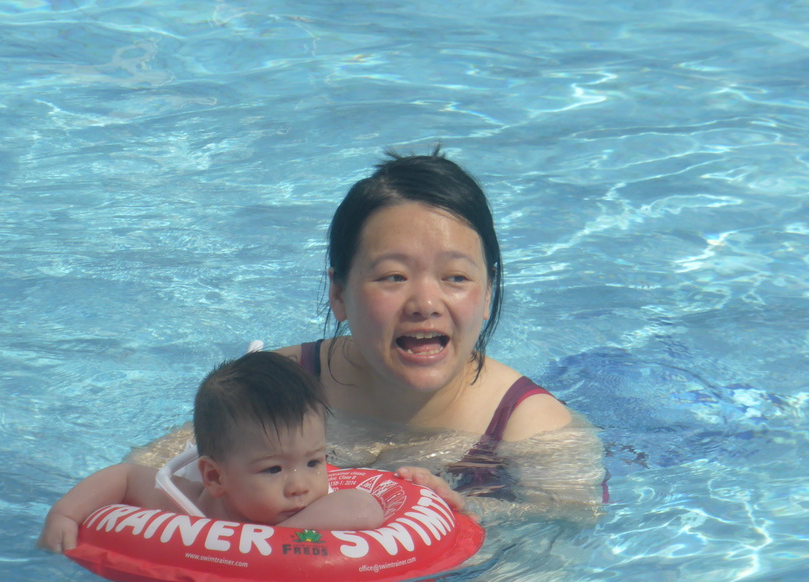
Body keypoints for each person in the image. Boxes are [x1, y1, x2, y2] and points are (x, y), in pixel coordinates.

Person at [268, 147, 604, 510]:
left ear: (489, 292)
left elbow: (562, 548)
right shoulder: (272, 391)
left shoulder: (536, 432)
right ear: (339, 293)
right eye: (393, 276)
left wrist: (470, 514)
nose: (425, 304)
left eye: (455, 277)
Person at [38, 352, 450, 553]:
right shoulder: (186, 508)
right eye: (273, 470)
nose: (300, 486)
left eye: (313, 462)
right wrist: (65, 514)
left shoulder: (317, 507)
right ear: (215, 478)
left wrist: (275, 540)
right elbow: (124, 476)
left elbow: (365, 510)